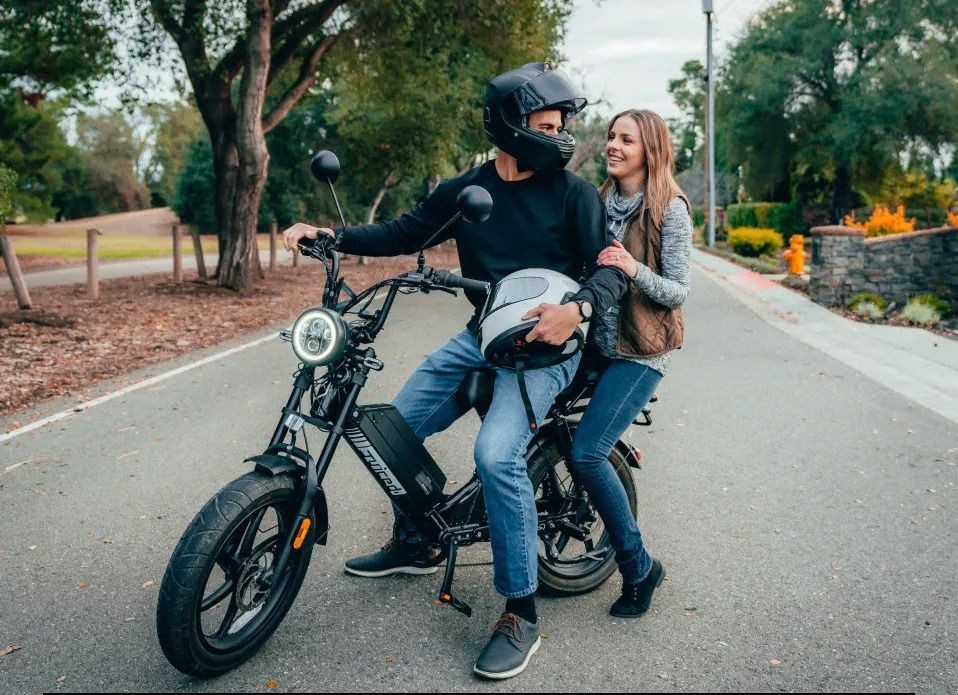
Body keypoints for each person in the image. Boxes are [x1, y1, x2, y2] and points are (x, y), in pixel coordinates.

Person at [282, 63, 628, 679]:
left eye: (561, 125)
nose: (558, 136)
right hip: (484, 335)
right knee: (393, 427)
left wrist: (575, 309)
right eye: (545, 125)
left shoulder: (572, 193)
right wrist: (330, 236)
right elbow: (407, 231)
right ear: (509, 127)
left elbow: (607, 269)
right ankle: (417, 539)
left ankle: (520, 610)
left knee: (497, 455)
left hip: (551, 346)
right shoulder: (468, 188)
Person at [570, 109, 692, 619]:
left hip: (641, 353)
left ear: (650, 150)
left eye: (627, 140)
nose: (613, 146)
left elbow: (677, 291)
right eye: (611, 137)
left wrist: (632, 266)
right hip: (595, 343)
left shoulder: (670, 211)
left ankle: (639, 568)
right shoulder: (599, 200)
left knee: (588, 454)